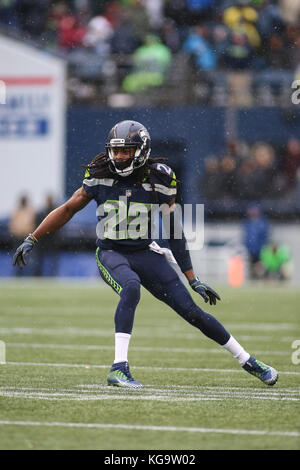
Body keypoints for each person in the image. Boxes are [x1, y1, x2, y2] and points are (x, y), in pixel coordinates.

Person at [13, 120, 278, 388]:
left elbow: (174, 231)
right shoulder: (100, 174)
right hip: (111, 253)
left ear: (141, 151)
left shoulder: (159, 178)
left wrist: (192, 277)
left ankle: (247, 360)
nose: (119, 156)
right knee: (130, 287)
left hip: (145, 252)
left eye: (126, 151)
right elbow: (68, 209)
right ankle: (119, 368)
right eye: (116, 151)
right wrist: (33, 237)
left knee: (192, 312)